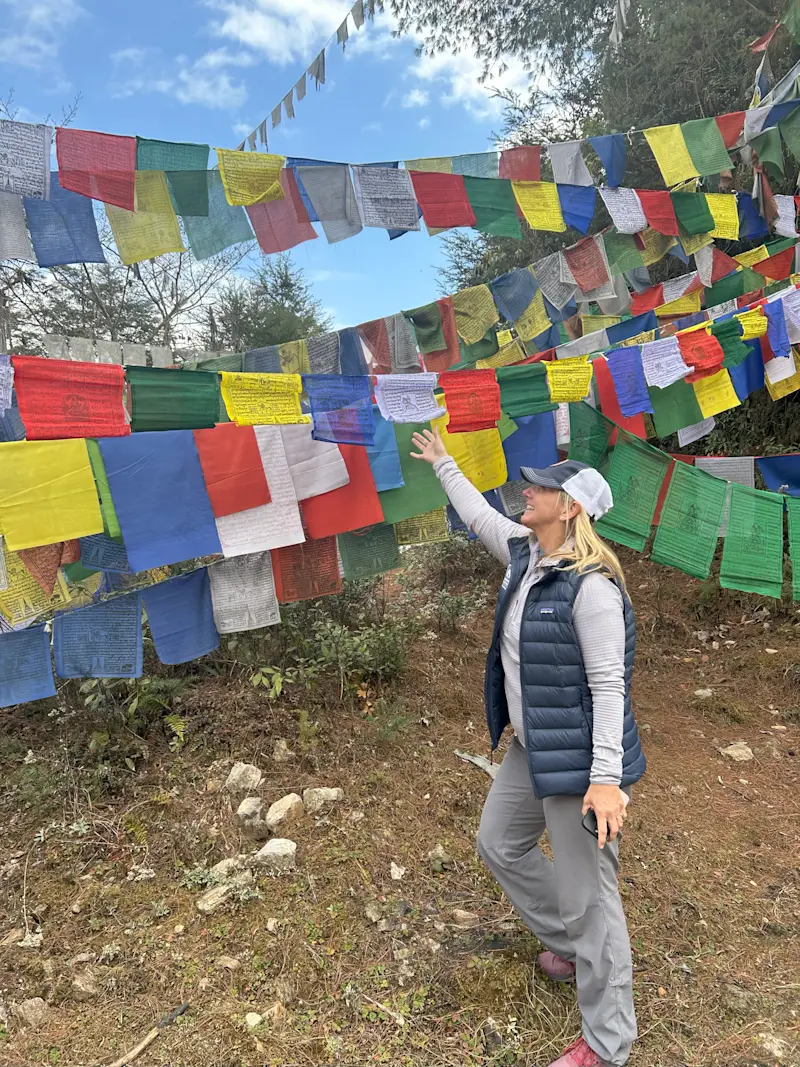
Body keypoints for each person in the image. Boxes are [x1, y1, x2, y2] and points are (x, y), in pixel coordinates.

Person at [411, 428, 646, 1067]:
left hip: (580, 762)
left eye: (541, 485)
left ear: (569, 507)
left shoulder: (592, 587)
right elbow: (478, 513)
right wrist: (444, 466)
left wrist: (606, 780)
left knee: (590, 897)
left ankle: (607, 1042)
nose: (528, 489)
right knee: (499, 842)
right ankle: (567, 944)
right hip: (530, 744)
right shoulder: (523, 552)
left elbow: (608, 687)